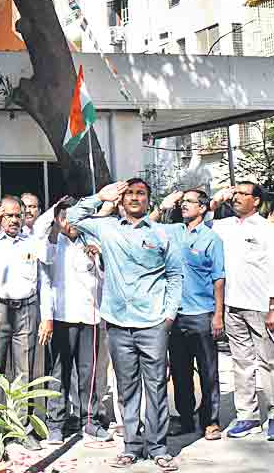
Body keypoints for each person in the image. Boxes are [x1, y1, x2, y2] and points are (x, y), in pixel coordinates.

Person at [67, 179, 184, 471]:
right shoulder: (106, 227)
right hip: (118, 322)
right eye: (129, 193)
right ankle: (132, 446)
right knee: (127, 387)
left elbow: (174, 276)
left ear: (148, 200)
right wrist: (100, 196)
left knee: (156, 386)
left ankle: (158, 446)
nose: (134, 198)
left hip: (153, 322)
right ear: (121, 199)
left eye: (140, 194)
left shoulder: (161, 233)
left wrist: (168, 316)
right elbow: (72, 217)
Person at [211, 182, 274, 441]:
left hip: (261, 306)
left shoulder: (268, 230)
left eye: (243, 194)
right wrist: (217, 200)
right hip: (232, 305)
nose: (237, 198)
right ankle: (248, 416)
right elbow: (202, 221)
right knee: (242, 363)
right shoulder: (224, 226)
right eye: (236, 193)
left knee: (268, 362)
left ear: (256, 201)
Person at [38, 195, 111, 444]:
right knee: (60, 371)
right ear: (58, 220)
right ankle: (56, 423)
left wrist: (97, 257)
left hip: (89, 316)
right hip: (61, 317)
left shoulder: (90, 241)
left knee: (88, 372)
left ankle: (88, 420)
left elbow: (103, 278)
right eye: (65, 218)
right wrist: (47, 316)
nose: (70, 223)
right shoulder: (52, 244)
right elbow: (46, 283)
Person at [0, 194, 49, 450]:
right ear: (0, 217)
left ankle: (20, 426)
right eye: (8, 215)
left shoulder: (31, 241)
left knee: (23, 370)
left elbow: (47, 270)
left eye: (18, 215)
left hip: (26, 309)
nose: (14, 220)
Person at [161, 189, 226, 442]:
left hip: (202, 313)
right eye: (182, 202)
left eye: (188, 202)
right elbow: (147, 228)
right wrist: (166, 205)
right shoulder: (173, 232)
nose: (183, 205)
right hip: (175, 314)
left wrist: (218, 315)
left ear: (203, 208)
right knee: (179, 371)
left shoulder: (211, 238)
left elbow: (219, 278)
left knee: (208, 371)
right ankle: (186, 418)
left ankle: (210, 420)